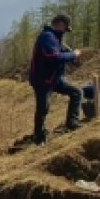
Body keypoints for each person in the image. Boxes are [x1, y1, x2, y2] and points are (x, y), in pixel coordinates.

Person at [29, 13, 83, 145]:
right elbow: (54, 57)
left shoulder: (55, 39)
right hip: (43, 80)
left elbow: (60, 54)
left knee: (76, 92)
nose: (66, 32)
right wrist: (73, 54)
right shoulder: (47, 37)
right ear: (61, 25)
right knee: (43, 108)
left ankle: (72, 123)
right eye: (66, 28)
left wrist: (72, 57)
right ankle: (39, 138)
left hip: (55, 79)